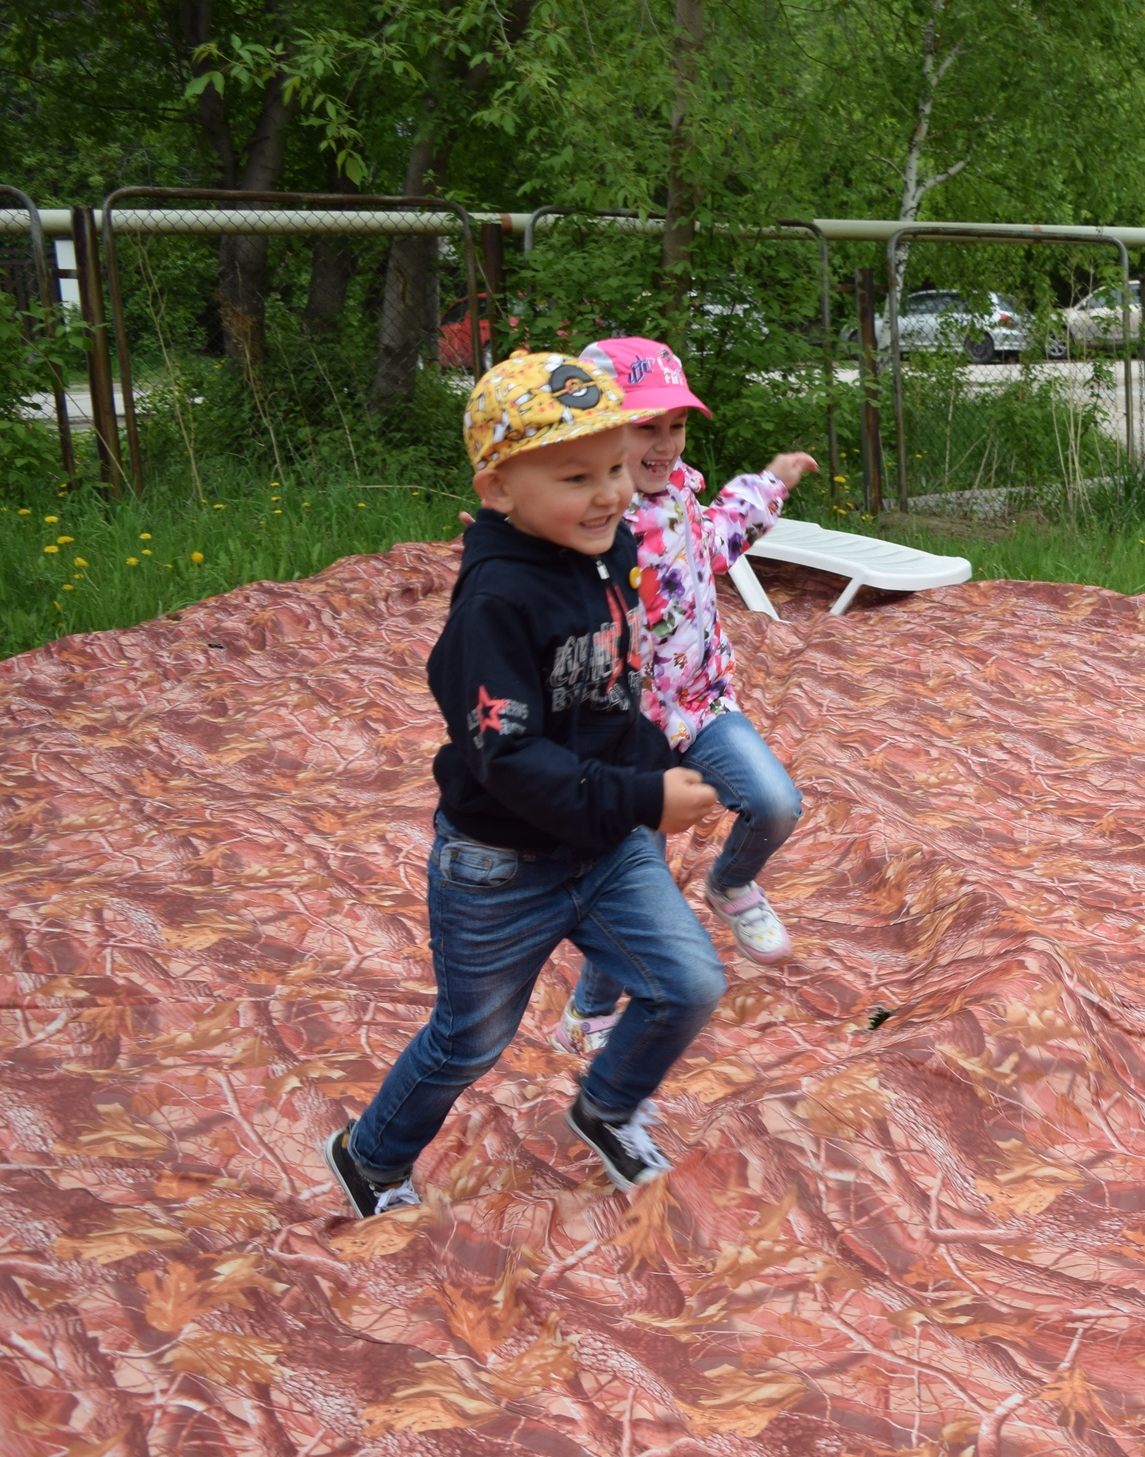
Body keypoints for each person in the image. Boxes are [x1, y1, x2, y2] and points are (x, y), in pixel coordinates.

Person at [322, 352, 728, 1216]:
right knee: (470, 1040)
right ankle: (371, 1156)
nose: (609, 494)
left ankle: (606, 1105)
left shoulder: (606, 552)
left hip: (606, 849)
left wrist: (657, 765)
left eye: (614, 468)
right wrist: (644, 799)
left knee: (688, 983)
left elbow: (610, 693)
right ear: (499, 489)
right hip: (500, 868)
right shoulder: (496, 605)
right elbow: (508, 760)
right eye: (577, 478)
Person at [552, 336, 815, 1056]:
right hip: (626, 736)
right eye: (646, 426)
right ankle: (587, 1013)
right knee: (638, 887)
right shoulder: (584, 520)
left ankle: (730, 885)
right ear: (599, 431)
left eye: (675, 425)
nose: (665, 443)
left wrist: (770, 482)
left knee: (775, 802)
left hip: (702, 704)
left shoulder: (680, 496)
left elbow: (721, 539)